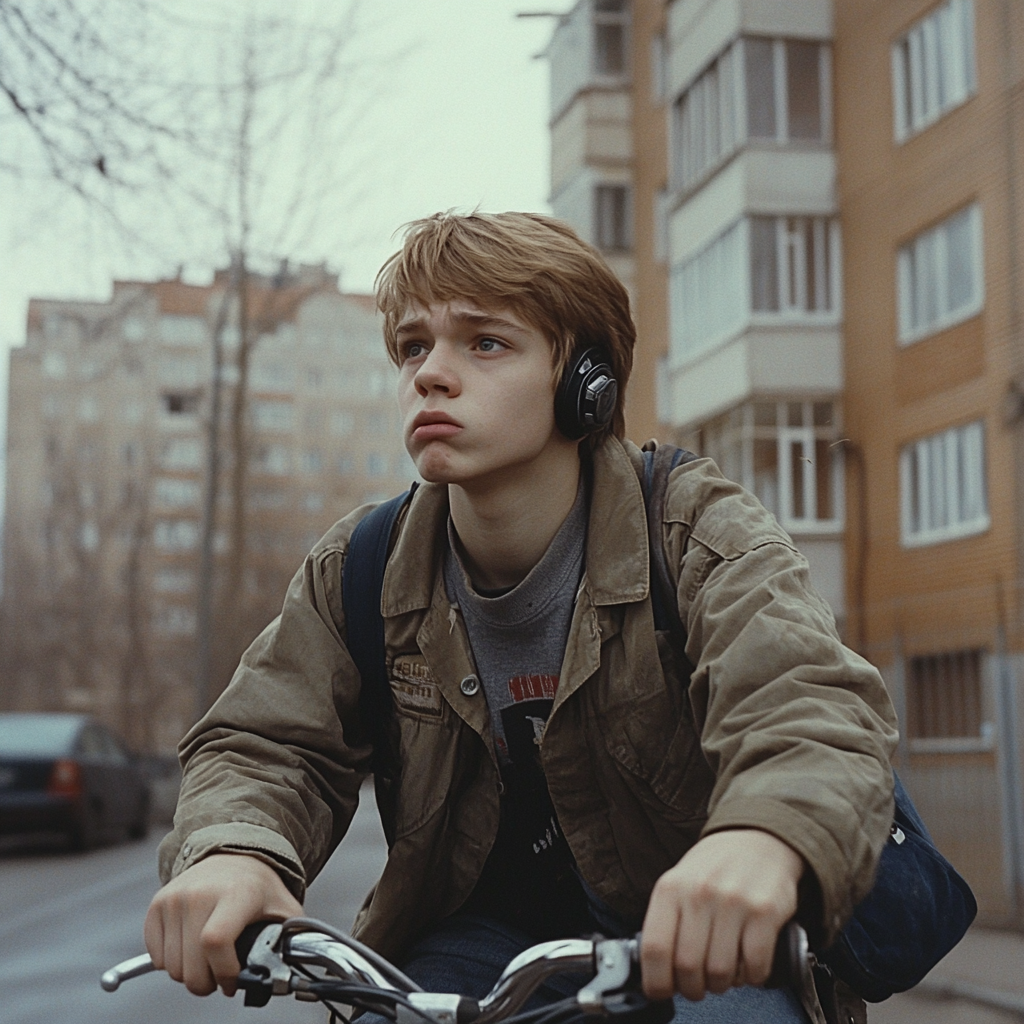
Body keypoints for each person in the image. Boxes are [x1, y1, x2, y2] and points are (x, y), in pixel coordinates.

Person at [145, 212, 898, 1021]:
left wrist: (764, 837)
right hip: (475, 939)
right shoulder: (361, 566)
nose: (431, 373)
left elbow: (808, 702)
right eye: (412, 346)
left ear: (585, 383)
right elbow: (265, 741)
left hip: (691, 934)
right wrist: (232, 850)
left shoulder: (690, 531)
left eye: (485, 343)